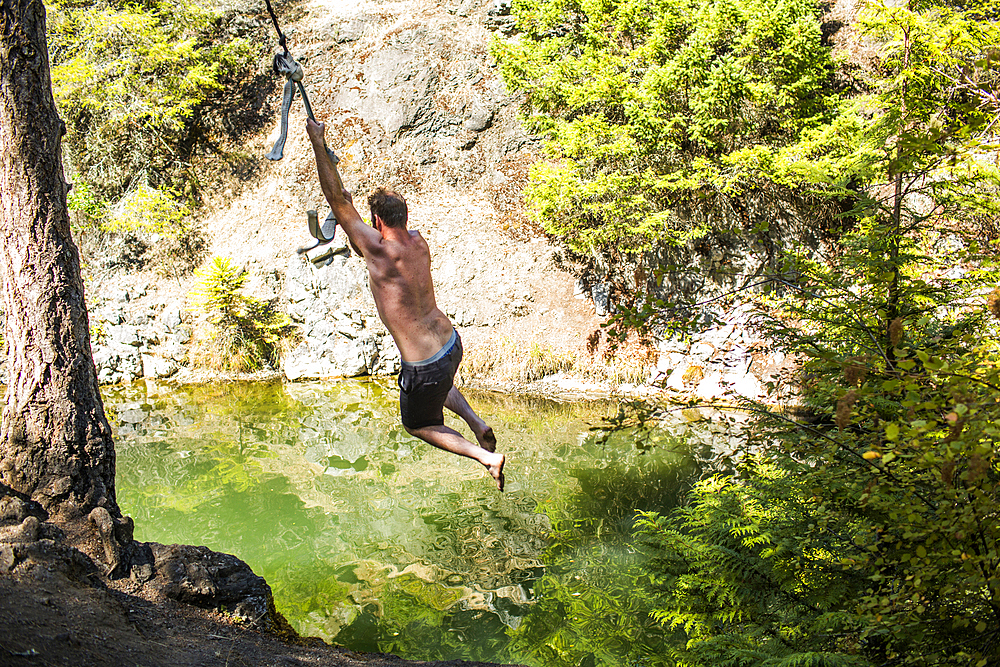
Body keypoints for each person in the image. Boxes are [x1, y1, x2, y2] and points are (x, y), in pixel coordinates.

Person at [306, 117, 505, 491]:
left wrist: (318, 142)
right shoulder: (418, 241)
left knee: (418, 423)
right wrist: (352, 211)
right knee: (439, 382)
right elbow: (365, 233)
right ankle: (478, 424)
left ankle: (486, 456)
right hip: (450, 343)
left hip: (423, 363)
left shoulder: (379, 249)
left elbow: (337, 202)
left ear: (376, 220)